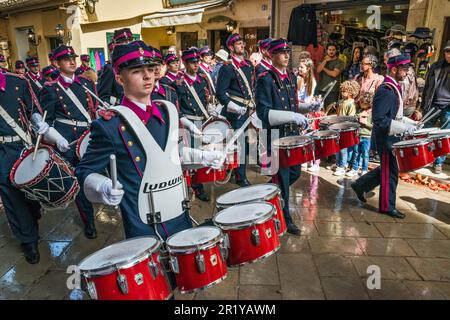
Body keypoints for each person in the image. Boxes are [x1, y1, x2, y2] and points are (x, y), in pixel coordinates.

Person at [75, 41, 222, 240]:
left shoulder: (167, 111)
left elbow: (172, 155)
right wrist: (102, 186)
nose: (147, 76)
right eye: (136, 71)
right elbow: (85, 171)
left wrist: (203, 156)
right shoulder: (109, 125)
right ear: (119, 78)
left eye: (151, 69)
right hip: (144, 226)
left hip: (179, 213)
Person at [37, 44, 98, 239]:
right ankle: (89, 221)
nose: (72, 61)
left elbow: (93, 110)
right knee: (79, 182)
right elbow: (45, 122)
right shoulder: (51, 89)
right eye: (66, 59)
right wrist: (57, 138)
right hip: (68, 139)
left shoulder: (86, 83)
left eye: (73, 58)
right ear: (56, 63)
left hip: (89, 137)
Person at [351, 54, 418, 219]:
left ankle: (360, 185)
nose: (407, 72)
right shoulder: (386, 90)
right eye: (403, 69)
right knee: (391, 172)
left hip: (391, 136)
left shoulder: (393, 86)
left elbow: (395, 114)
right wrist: (404, 127)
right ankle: (387, 207)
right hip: (386, 139)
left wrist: (410, 124)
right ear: (394, 69)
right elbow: (379, 119)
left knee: (389, 169)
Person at [255, 39, 310, 236]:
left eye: (288, 52)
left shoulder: (291, 77)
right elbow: (263, 112)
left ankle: (267, 194)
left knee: (294, 173)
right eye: (281, 52)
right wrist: (293, 115)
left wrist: (305, 108)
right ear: (271, 55)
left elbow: (292, 105)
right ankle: (285, 219)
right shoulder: (265, 79)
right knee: (283, 180)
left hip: (292, 135)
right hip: (276, 137)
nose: (287, 56)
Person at [0, 71, 43, 264]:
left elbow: (32, 107)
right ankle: (28, 241)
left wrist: (39, 122)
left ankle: (33, 219)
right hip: (1, 151)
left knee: (31, 195)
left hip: (23, 144)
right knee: (12, 198)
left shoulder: (17, 81)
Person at [173, 48, 213, 201]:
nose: (196, 65)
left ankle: (201, 179)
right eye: (192, 62)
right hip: (189, 123)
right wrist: (189, 124)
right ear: (185, 63)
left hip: (204, 120)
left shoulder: (202, 78)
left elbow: (206, 98)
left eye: (197, 61)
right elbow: (178, 108)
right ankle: (197, 187)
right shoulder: (178, 82)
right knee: (194, 156)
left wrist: (211, 109)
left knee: (204, 152)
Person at [216, 33, 255, 187]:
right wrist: (235, 108)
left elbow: (252, 87)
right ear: (231, 48)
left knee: (246, 143)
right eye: (238, 43)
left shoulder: (249, 65)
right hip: (235, 112)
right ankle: (239, 176)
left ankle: (239, 173)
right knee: (237, 144)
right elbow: (220, 93)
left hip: (248, 110)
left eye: (242, 42)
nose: (242, 45)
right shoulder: (227, 68)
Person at [421, 40, 450, 174]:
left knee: (443, 137)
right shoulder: (435, 66)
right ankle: (424, 158)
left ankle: (438, 162)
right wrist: (422, 106)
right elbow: (427, 86)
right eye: (448, 51)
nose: (449, 54)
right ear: (444, 53)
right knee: (425, 133)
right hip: (432, 104)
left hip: (448, 108)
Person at [97, 28, 133, 105]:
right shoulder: (110, 69)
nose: (127, 44)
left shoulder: (136, 65)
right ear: (116, 44)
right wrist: (119, 102)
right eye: (122, 41)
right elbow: (103, 96)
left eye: (130, 40)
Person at [297, 58, 321, 173]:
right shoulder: (299, 79)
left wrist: (297, 101)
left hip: (307, 112)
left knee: (310, 137)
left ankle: (315, 162)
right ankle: (306, 159)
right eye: (299, 66)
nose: (299, 68)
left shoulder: (312, 81)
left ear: (308, 69)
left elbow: (307, 100)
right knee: (302, 137)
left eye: (302, 67)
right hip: (300, 111)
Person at [333, 80, 360, 176]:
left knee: (343, 149)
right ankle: (338, 163)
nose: (342, 93)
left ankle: (342, 166)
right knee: (337, 147)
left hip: (345, 129)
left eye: (344, 91)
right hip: (337, 127)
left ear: (351, 92)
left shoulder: (351, 103)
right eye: (341, 91)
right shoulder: (341, 101)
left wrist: (344, 123)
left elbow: (351, 117)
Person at [347, 91, 374, 177]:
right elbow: (355, 118)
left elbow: (373, 126)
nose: (361, 104)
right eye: (361, 102)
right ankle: (354, 168)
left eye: (363, 103)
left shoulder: (371, 113)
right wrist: (358, 117)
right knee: (356, 152)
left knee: (365, 154)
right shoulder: (359, 110)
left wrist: (365, 123)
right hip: (358, 135)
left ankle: (364, 169)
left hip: (367, 137)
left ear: (368, 103)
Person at [315, 43, 345, 111]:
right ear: (327, 50)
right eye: (330, 50)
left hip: (332, 91)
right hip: (320, 90)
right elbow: (318, 70)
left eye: (333, 50)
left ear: (336, 51)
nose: (331, 51)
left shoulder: (340, 62)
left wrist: (324, 68)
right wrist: (325, 61)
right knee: (319, 110)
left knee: (330, 111)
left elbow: (334, 74)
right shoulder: (323, 60)